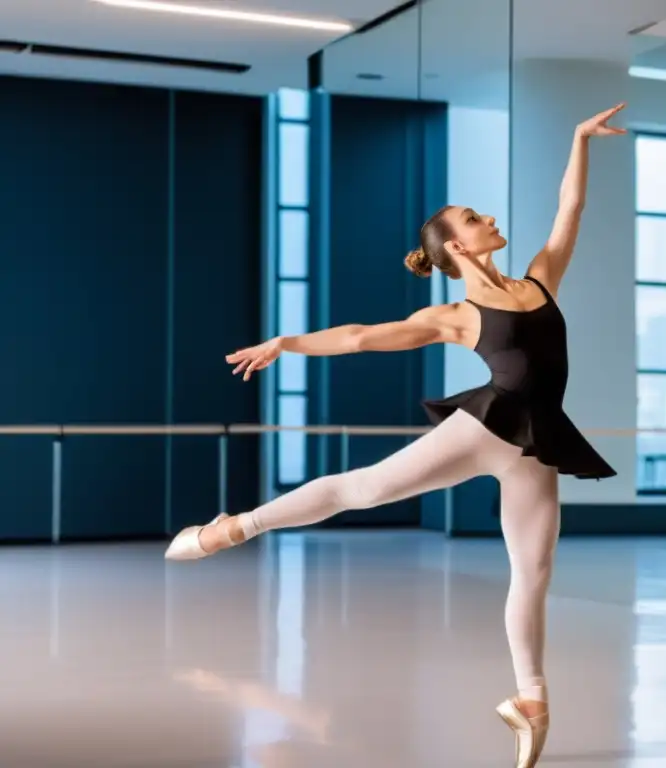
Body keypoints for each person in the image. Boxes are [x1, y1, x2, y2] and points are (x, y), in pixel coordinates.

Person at [165, 102, 627, 768]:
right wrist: (286, 343)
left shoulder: (538, 281)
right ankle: (235, 527)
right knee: (365, 489)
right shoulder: (456, 313)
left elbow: (571, 210)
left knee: (533, 572)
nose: (489, 218)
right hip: (487, 425)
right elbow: (358, 337)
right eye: (474, 218)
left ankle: (529, 699)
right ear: (457, 247)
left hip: (535, 441)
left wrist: (580, 138)